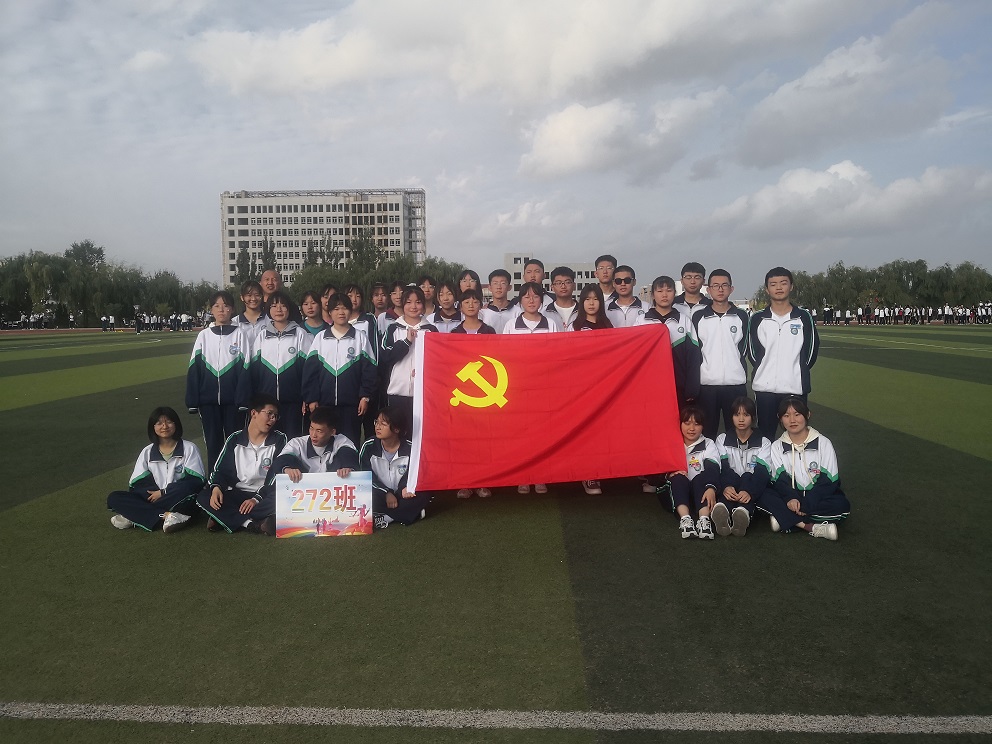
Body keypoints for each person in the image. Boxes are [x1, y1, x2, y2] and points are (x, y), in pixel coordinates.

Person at [755, 397, 849, 540]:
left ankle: (785, 519)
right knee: (763, 495)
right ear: (780, 418)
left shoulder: (824, 443)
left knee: (842, 506)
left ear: (807, 415)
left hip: (817, 498)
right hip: (790, 499)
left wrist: (806, 505)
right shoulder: (776, 446)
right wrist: (791, 498)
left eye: (797, 414)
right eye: (786, 415)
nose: (792, 420)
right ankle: (809, 526)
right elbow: (779, 480)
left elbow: (829, 481)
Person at [196, 394, 288, 536]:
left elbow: (277, 476)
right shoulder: (235, 439)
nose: (273, 419)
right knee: (205, 496)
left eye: (275, 416)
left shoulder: (280, 439)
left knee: (283, 496)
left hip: (265, 495)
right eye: (269, 414)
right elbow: (220, 470)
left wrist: (256, 499)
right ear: (254, 413)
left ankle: (224, 517)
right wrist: (216, 488)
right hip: (238, 493)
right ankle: (251, 524)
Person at [747, 267, 819, 441]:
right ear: (767, 289)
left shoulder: (803, 317)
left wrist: (798, 371)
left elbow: (811, 351)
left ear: (791, 286)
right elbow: (752, 352)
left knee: (797, 435)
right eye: (773, 284)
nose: (778, 287)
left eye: (783, 283)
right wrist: (764, 370)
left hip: (795, 387)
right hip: (764, 389)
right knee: (765, 437)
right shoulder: (757, 318)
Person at [107, 407, 206, 533]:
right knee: (114, 497)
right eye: (159, 423)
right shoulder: (147, 451)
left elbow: (195, 481)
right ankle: (166, 516)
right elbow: (138, 483)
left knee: (188, 492)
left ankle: (136, 514)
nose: (164, 426)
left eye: (169, 422)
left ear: (176, 424)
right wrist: (154, 494)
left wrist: (164, 492)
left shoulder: (189, 448)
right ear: (153, 427)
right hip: (154, 498)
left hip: (178, 498)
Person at [185, 290, 251, 470]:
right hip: (208, 402)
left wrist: (243, 399)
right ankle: (214, 480)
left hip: (234, 402)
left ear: (232, 309)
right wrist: (193, 400)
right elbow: (194, 367)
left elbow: (246, 367)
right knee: (213, 442)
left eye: (226, 306)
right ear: (211, 310)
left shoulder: (240, 334)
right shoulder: (204, 336)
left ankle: (235, 478)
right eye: (217, 306)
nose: (222, 309)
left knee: (234, 441)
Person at [302, 293, 377, 446]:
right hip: (324, 403)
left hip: (352, 405)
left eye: (345, 308)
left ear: (351, 311)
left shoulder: (360, 338)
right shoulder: (321, 338)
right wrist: (312, 398)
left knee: (350, 443)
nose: (341, 313)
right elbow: (310, 372)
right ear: (329, 312)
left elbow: (369, 370)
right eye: (336, 309)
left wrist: (365, 396)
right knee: (325, 443)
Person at [241, 290, 311, 438]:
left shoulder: (300, 334)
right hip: (267, 403)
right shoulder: (262, 336)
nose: (279, 309)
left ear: (289, 309)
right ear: (268, 310)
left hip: (293, 401)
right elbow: (253, 371)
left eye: (283, 305)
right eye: (274, 306)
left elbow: (308, 370)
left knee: (293, 439)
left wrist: (307, 396)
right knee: (268, 440)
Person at [691, 269, 749, 440]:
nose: (720, 289)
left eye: (724, 285)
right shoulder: (698, 316)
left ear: (731, 288)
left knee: (737, 433)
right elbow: (696, 350)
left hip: (735, 384)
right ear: (708, 289)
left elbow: (745, 348)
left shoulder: (741, 316)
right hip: (707, 385)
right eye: (716, 286)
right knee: (707, 432)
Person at [636, 275, 701, 407]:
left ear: (674, 293)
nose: (664, 295)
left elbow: (693, 357)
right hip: (649, 386)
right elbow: (635, 356)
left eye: (669, 290)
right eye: (660, 291)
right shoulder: (641, 321)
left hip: (678, 387)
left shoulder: (684, 320)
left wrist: (692, 388)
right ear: (653, 295)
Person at [359, 406, 429, 528]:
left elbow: (416, 473)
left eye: (383, 424)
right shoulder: (369, 446)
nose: (377, 427)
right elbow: (365, 475)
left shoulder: (411, 448)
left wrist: (406, 488)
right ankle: (408, 513)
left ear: (396, 429)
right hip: (379, 494)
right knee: (362, 494)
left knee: (424, 493)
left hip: (402, 494)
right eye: (376, 422)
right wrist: (386, 492)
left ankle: (386, 517)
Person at [711, 396, 771, 537]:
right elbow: (722, 467)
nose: (741, 419)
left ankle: (743, 514)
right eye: (737, 414)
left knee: (747, 478)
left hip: (751, 486)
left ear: (753, 417)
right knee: (730, 480)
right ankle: (723, 511)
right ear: (731, 417)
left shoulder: (764, 442)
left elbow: (762, 473)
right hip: (730, 484)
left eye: (746, 414)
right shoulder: (722, 439)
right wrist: (726, 486)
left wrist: (749, 491)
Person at [380, 287, 438, 430]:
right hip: (397, 391)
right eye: (409, 302)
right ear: (402, 304)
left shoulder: (431, 330)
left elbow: (437, 361)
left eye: (418, 302)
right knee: (398, 431)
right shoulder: (393, 329)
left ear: (423, 305)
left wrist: (423, 371)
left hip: (423, 392)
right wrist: (406, 343)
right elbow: (385, 357)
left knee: (421, 431)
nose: (413, 306)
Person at [660, 405, 720, 540]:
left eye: (697, 424)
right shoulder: (673, 442)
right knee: (678, 477)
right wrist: (669, 474)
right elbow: (660, 467)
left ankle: (704, 520)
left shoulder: (708, 443)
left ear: (703, 426)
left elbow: (712, 468)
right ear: (680, 424)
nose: (692, 428)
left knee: (701, 478)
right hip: (678, 492)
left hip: (701, 490)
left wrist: (711, 488)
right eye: (687, 423)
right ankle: (686, 520)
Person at [272, 406, 359, 481]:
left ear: (332, 432)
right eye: (311, 428)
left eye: (319, 431)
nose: (313, 435)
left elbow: (349, 455)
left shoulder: (341, 441)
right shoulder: (297, 443)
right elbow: (282, 459)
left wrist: (347, 467)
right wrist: (287, 469)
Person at [233, 280, 265, 348]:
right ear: (242, 297)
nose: (253, 299)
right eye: (249, 295)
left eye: (257, 295)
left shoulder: (270, 320)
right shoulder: (235, 322)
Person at [545, 266, 578, 330]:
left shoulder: (583, 311)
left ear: (574, 285)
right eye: (558, 283)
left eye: (567, 282)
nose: (563, 286)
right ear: (552, 287)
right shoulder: (545, 313)